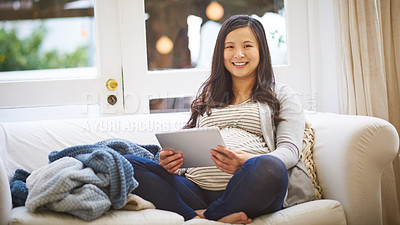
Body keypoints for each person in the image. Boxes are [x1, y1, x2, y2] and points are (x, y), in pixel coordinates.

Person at [124, 14, 314, 224]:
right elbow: (191, 148)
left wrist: (246, 162)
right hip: (196, 190)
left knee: (270, 167)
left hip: (252, 186)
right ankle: (204, 216)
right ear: (221, 53)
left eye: (248, 46)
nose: (238, 54)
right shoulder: (208, 96)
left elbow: (289, 152)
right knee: (129, 164)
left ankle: (206, 217)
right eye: (230, 47)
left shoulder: (282, 95)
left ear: (261, 50)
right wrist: (172, 163)